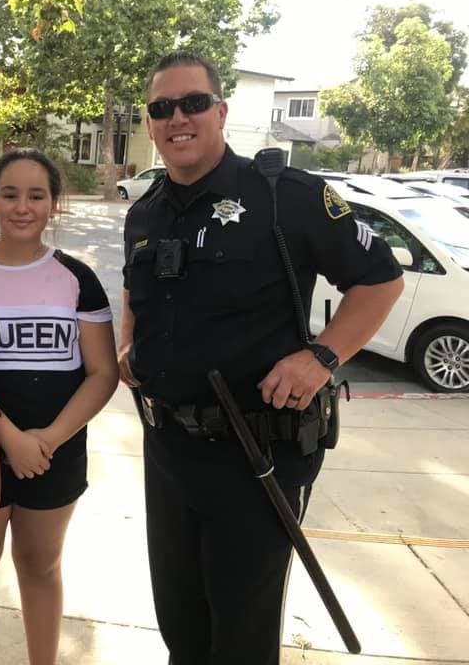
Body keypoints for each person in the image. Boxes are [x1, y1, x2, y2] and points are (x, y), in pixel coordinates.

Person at [119, 51, 404, 665]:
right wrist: (128, 342)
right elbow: (137, 290)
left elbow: (379, 280)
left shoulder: (285, 196)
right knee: (181, 623)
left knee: (241, 635)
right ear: (150, 123)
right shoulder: (145, 210)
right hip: (167, 449)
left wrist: (321, 357)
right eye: (162, 108)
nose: (178, 118)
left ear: (221, 111)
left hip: (256, 455)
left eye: (193, 103)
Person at [0, 148, 119, 665]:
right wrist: (10, 438)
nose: (23, 207)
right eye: (10, 194)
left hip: (55, 452)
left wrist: (46, 439)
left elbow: (102, 373)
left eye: (36, 195)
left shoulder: (77, 278)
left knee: (40, 565)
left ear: (53, 204)